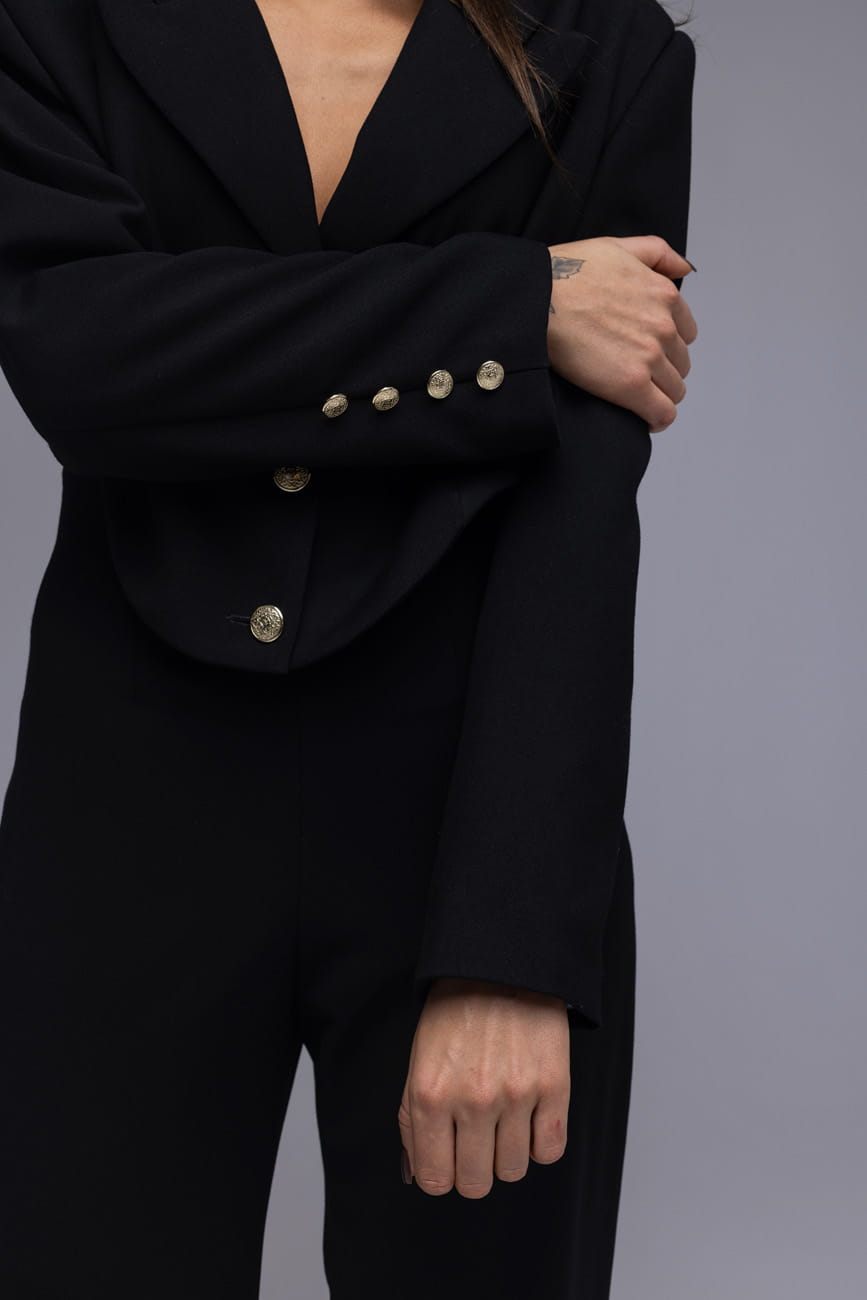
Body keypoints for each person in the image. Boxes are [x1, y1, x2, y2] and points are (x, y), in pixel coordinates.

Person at [0, 0, 697, 1296]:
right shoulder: (58, 21)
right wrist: (516, 308)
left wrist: (511, 949)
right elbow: (80, 356)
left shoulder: (607, 42)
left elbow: (578, 516)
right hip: (123, 811)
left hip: (475, 813)